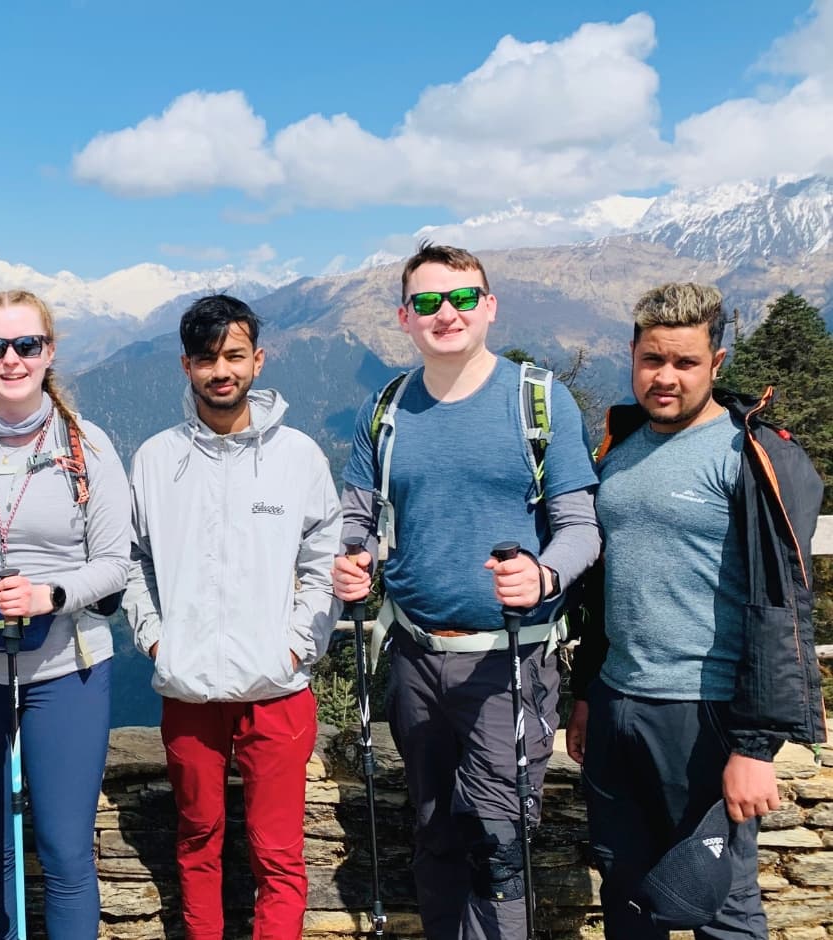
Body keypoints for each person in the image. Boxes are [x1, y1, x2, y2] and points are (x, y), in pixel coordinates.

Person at [333, 243, 600, 939]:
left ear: (489, 306)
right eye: (426, 301)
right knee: (433, 832)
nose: (444, 313)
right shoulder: (387, 410)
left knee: (498, 846)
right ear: (404, 317)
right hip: (416, 658)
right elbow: (358, 517)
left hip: (509, 662)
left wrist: (542, 575)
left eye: (460, 297)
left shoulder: (538, 401)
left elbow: (579, 527)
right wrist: (351, 560)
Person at [566, 283, 825, 938]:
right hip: (620, 704)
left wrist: (756, 745)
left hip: (705, 715)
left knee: (720, 905)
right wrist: (588, 695)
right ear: (632, 356)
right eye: (653, 360)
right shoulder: (619, 452)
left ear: (717, 362)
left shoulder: (749, 456)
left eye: (684, 362)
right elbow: (603, 587)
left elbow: (780, 601)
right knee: (624, 892)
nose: (665, 377)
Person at [123, 293, 341, 939]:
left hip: (275, 689)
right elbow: (130, 560)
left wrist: (297, 646)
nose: (223, 370)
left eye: (235, 356)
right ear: (186, 366)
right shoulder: (157, 460)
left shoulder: (298, 456)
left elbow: (326, 557)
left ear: (258, 360)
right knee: (197, 841)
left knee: (278, 855)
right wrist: (157, 641)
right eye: (208, 358)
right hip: (189, 686)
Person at [0, 289, 132, 939]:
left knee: (67, 851)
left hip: (67, 669)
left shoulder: (86, 446)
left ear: (49, 351)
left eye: (26, 345)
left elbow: (116, 563)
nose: (11, 360)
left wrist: (51, 595)